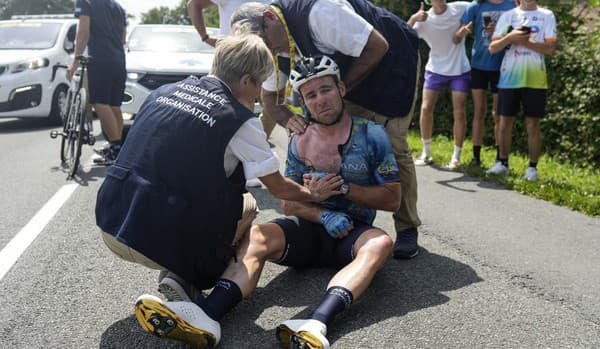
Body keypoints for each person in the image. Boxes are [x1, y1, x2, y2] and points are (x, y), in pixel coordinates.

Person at [134, 55, 400, 349]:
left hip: (354, 233)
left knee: (381, 243)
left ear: (341, 88)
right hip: (310, 232)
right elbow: (289, 203)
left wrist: (343, 188)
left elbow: (392, 199)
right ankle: (206, 315)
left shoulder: (372, 134)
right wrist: (323, 215)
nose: (321, 100)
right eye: (311, 95)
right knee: (258, 234)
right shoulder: (300, 140)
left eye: (326, 90)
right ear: (303, 102)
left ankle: (316, 322)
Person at [95, 35, 344, 349]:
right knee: (249, 206)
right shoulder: (239, 121)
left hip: (111, 223)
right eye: (258, 88)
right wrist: (314, 195)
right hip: (152, 241)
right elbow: (279, 187)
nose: (257, 98)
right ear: (245, 80)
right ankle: (189, 273)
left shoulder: (163, 92)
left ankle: (178, 275)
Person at [230, 0, 423, 259]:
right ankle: (333, 212)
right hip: (343, 77)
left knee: (394, 145)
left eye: (266, 43)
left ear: (270, 18)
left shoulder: (320, 12)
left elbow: (377, 46)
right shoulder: (272, 42)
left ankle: (407, 226)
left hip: (392, 62)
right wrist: (289, 119)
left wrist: (339, 96)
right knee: (327, 136)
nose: (268, 50)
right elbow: (270, 98)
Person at [486, 0, 557, 181]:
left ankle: (532, 168)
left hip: (535, 79)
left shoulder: (547, 15)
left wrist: (525, 42)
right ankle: (502, 163)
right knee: (503, 124)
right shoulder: (508, 16)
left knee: (532, 125)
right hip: (509, 77)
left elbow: (550, 49)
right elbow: (493, 48)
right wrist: (510, 38)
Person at [408, 0, 471, 169]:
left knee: (459, 111)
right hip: (435, 69)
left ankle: (456, 157)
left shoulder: (459, 7)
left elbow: (478, 8)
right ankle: (426, 153)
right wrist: (414, 18)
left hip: (459, 69)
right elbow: (405, 34)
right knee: (426, 108)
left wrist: (462, 32)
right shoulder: (424, 19)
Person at [458, 0, 516, 166]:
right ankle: (476, 157)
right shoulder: (476, 6)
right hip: (479, 65)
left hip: (502, 65)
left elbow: (518, 31)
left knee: (498, 114)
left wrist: (501, 32)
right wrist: (462, 32)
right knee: (479, 111)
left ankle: (500, 158)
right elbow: (459, 30)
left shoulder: (512, 5)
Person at [68, 0, 126, 165]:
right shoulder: (117, 6)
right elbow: (123, 37)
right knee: (114, 105)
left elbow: (83, 32)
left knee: (99, 103)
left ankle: (115, 148)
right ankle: (118, 146)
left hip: (100, 59)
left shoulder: (87, 2)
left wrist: (75, 63)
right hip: (119, 59)